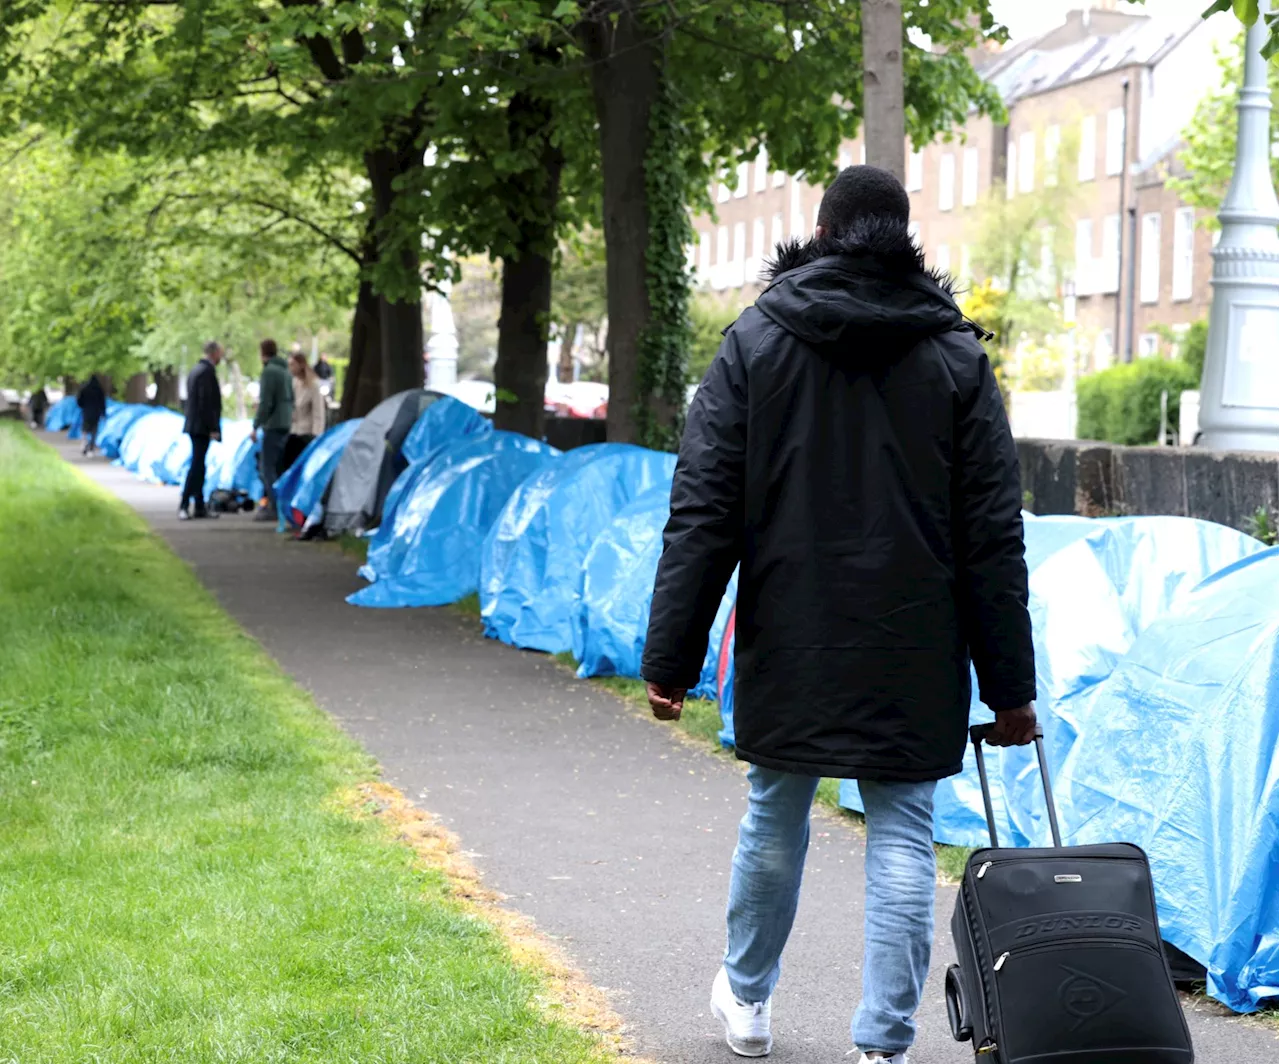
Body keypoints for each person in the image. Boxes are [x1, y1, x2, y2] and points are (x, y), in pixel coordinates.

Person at [641, 166, 1037, 1063]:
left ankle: (746, 1002)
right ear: (904, 239)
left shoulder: (755, 343)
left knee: (774, 813)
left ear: (820, 234)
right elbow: (992, 540)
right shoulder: (958, 358)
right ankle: (884, 1045)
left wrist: (671, 655)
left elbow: (703, 509)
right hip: (917, 644)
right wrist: (1011, 689)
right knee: (903, 830)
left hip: (792, 632)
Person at [180, 341, 223, 520]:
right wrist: (213, 427)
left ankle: (199, 505)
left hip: (195, 425)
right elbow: (207, 402)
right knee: (197, 465)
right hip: (201, 427)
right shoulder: (207, 372)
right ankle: (184, 503)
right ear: (214, 353)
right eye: (220, 352)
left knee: (200, 464)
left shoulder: (196, 370)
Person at [251, 338, 293, 521]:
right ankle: (282, 505)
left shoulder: (269, 372)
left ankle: (273, 507)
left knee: (266, 468)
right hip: (285, 423)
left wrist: (255, 425)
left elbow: (266, 402)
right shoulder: (286, 371)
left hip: (273, 424)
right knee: (279, 467)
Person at [282, 350, 326, 472]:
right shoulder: (293, 382)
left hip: (306, 434)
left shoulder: (313, 385)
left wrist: (316, 436)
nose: (290, 368)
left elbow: (318, 413)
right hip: (292, 431)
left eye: (293, 364)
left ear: (301, 365)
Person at [76, 374, 107, 455]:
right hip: (96, 413)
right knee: (94, 431)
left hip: (86, 412)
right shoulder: (99, 390)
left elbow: (79, 401)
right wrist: (103, 413)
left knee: (85, 429)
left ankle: (84, 443)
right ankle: (91, 448)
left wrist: (83, 406)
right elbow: (102, 403)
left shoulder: (85, 389)